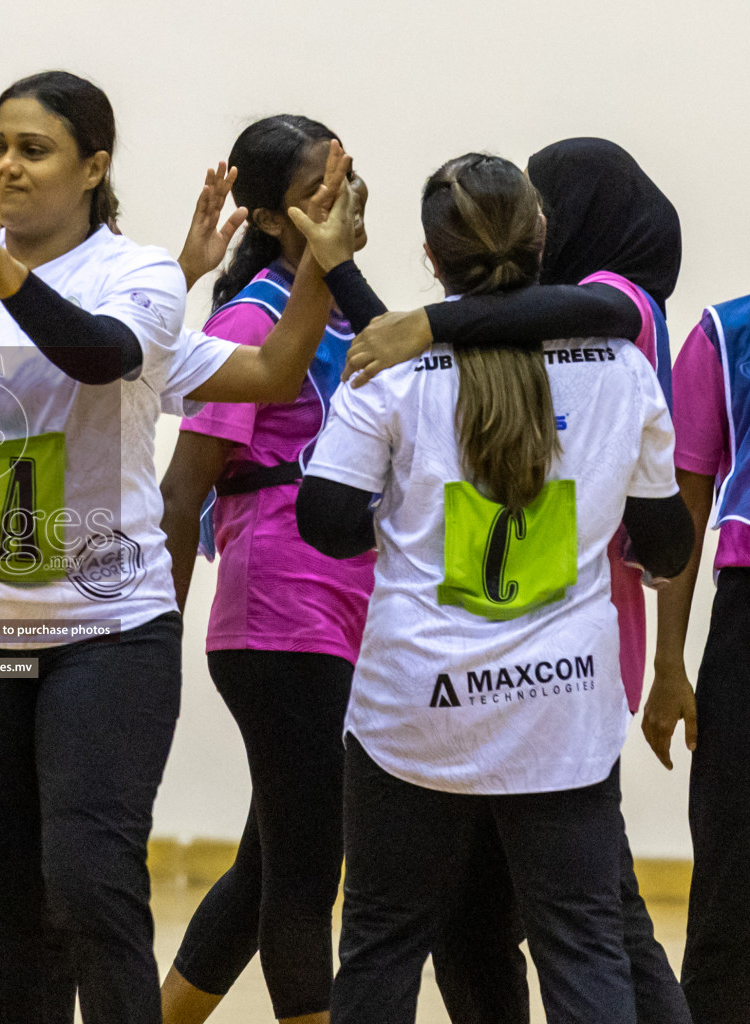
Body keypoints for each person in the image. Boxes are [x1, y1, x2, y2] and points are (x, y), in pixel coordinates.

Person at [0, 70, 355, 1024]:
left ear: (94, 168)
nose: (5, 166)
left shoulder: (143, 273)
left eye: (32, 149)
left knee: (88, 879)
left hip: (104, 631)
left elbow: (109, 356)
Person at [297, 152, 693, 1024]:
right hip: (563, 710)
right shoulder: (623, 367)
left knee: (382, 941)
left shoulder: (393, 369)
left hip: (415, 709)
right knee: (585, 941)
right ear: (543, 236)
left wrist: (406, 522)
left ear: (433, 260)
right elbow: (667, 546)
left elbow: (323, 523)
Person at [157, 114, 371, 1024]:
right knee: (307, 866)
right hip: (279, 618)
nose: (350, 197)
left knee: (271, 857)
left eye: (352, 178)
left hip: (345, 614)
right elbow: (181, 490)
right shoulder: (251, 318)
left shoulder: (349, 306)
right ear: (278, 216)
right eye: (328, 185)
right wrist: (147, 641)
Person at [644, 200, 750, 1024]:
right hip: (746, 618)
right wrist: (669, 665)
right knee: (733, 862)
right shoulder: (724, 334)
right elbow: (683, 509)